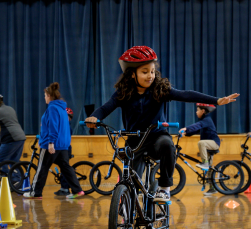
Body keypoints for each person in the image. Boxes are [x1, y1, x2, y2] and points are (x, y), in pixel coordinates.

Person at [85, 46, 239, 202]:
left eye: (152, 71)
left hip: (157, 137)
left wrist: (216, 101)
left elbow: (186, 94)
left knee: (167, 144)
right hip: (135, 140)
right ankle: (127, 209)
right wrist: (93, 117)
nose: (150, 76)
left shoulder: (160, 89)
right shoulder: (123, 92)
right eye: (144, 72)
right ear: (132, 74)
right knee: (132, 181)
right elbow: (106, 107)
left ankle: (164, 188)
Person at [24, 83, 84, 199]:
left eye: (45, 95)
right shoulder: (62, 109)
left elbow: (53, 126)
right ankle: (77, 190)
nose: (44, 98)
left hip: (51, 144)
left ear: (49, 96)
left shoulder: (52, 108)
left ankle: (35, 192)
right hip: (63, 145)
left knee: (42, 168)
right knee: (66, 168)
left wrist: (51, 143)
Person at [180, 103, 220, 195]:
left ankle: (204, 163)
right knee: (210, 169)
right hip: (208, 145)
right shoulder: (204, 121)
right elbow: (196, 129)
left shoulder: (207, 120)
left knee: (201, 143)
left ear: (203, 111)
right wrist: (186, 133)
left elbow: (197, 125)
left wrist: (185, 128)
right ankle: (212, 188)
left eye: (197, 110)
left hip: (214, 143)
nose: (196, 112)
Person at [0, 94, 26, 170]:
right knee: (13, 161)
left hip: (11, 138)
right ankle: (16, 180)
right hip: (20, 137)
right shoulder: (10, 108)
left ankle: (6, 177)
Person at [55, 107, 75, 196]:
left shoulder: (66, 127)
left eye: (67, 117)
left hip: (65, 149)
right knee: (63, 167)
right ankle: (64, 187)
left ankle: (65, 188)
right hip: (62, 148)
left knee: (64, 168)